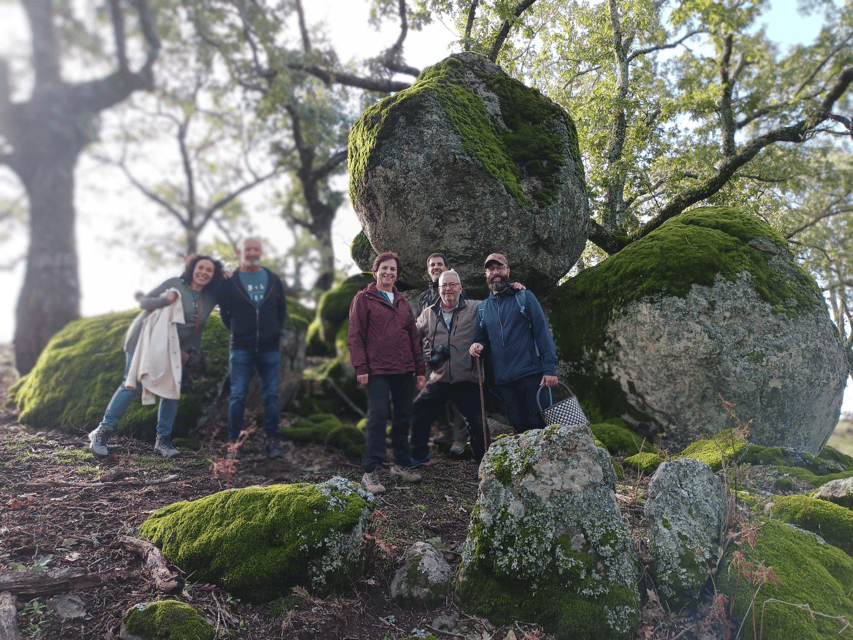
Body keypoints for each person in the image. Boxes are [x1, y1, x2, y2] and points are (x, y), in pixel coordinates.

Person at [88, 255, 225, 458]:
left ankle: (163, 441)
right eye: (200, 268)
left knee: (171, 390)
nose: (203, 273)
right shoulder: (174, 283)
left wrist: (189, 351)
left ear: (214, 275)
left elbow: (199, 327)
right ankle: (102, 432)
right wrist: (164, 300)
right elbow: (144, 302)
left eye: (209, 270)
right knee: (131, 384)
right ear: (192, 268)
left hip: (173, 348)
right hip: (144, 340)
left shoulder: (210, 296)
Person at [348, 251, 426, 494]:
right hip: (376, 369)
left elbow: (414, 337)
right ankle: (370, 472)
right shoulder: (363, 299)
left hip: (404, 368)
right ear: (376, 271)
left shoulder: (402, 302)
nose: (389, 273)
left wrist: (420, 369)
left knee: (404, 416)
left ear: (397, 275)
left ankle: (401, 465)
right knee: (378, 416)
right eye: (385, 268)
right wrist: (361, 367)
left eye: (393, 270)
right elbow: (356, 335)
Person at [469, 253, 558, 433]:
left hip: (532, 376)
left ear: (507, 271)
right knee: (519, 427)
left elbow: (543, 333)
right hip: (503, 381)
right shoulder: (483, 308)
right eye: (491, 269)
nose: (496, 272)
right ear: (485, 274)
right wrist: (477, 346)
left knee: (539, 427)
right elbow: (483, 340)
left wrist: (549, 369)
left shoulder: (524, 297)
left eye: (500, 267)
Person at [411, 269, 491, 466]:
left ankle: (485, 465)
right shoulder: (429, 313)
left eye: (452, 284)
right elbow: (410, 334)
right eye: (444, 285)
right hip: (440, 378)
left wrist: (515, 288)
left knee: (478, 423)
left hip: (468, 378)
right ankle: (419, 455)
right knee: (418, 411)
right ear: (438, 290)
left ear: (460, 288)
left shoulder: (477, 308)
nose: (448, 289)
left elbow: (498, 311)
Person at [218, 237, 287, 458]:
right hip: (241, 348)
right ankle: (234, 443)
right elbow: (225, 314)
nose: (252, 252)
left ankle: (273, 441)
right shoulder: (230, 281)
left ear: (261, 251)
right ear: (240, 251)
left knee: (272, 396)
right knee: (238, 395)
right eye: (248, 248)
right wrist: (240, 332)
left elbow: (281, 311)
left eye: (256, 248)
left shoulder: (273, 279)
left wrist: (272, 331)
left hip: (270, 348)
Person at [416, 253, 468, 455]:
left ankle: (460, 439)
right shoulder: (423, 297)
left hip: (453, 352)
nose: (436, 267)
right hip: (430, 354)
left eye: (439, 264)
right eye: (432, 265)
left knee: (455, 397)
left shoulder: (456, 290)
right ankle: (444, 431)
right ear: (428, 270)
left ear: (446, 267)